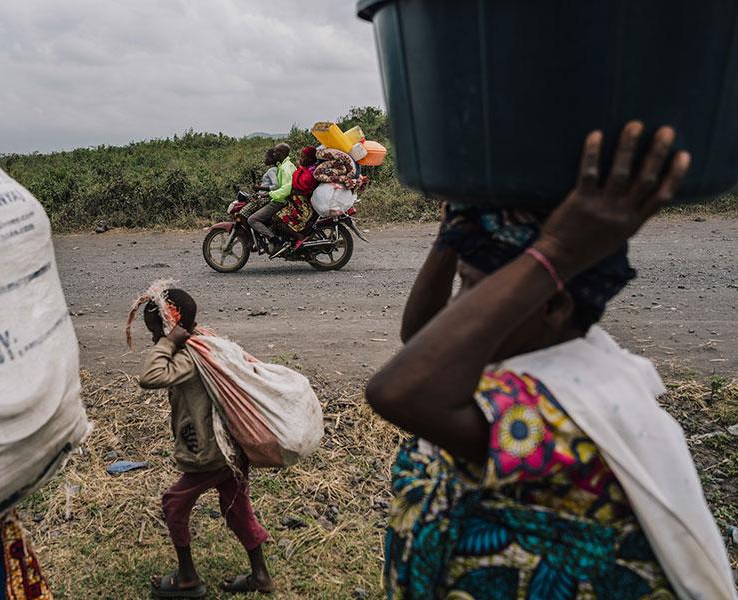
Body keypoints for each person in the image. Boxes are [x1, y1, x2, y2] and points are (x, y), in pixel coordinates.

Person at [366, 123, 737, 599]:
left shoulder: (562, 410)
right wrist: (453, 232)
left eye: (477, 290)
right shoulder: (509, 364)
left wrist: (557, 249)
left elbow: (397, 391)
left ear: (555, 305)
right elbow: (421, 337)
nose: (459, 311)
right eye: (464, 284)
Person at [138, 289, 273, 598]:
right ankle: (260, 575)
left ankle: (187, 578)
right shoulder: (205, 340)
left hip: (210, 452)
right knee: (237, 508)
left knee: (174, 503)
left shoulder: (188, 355)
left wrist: (167, 343)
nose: (153, 339)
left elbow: (150, 376)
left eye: (155, 332)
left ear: (171, 325)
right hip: (231, 448)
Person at [248, 143, 295, 251]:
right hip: (279, 198)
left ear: (281, 153)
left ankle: (275, 240)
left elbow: (286, 188)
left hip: (279, 200)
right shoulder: (286, 165)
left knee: (252, 219)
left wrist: (269, 194)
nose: (274, 154)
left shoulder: (284, 168)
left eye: (276, 152)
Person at [273, 146, 318, 254]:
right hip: (296, 202)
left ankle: (300, 237)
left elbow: (305, 188)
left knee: (277, 218)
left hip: (303, 206)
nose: (300, 158)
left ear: (310, 159)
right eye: (301, 156)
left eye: (303, 157)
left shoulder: (310, 172)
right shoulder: (306, 168)